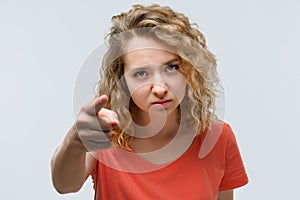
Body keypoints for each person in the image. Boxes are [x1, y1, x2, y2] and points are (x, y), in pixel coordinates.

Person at [51, 4, 248, 200]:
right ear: (123, 80)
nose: (160, 88)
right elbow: (64, 185)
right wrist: (75, 141)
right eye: (141, 73)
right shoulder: (106, 132)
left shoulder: (218, 138)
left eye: (171, 67)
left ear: (190, 69)